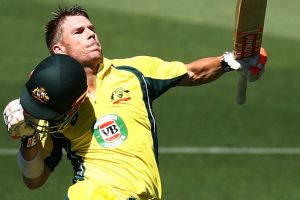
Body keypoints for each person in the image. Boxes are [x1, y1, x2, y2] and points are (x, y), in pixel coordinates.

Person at [3, 5, 267, 200]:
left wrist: (229, 62)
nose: (91, 35)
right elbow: (35, 179)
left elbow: (192, 72)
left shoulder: (134, 72)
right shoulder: (51, 103)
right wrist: (28, 139)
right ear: (59, 49)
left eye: (92, 29)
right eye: (79, 32)